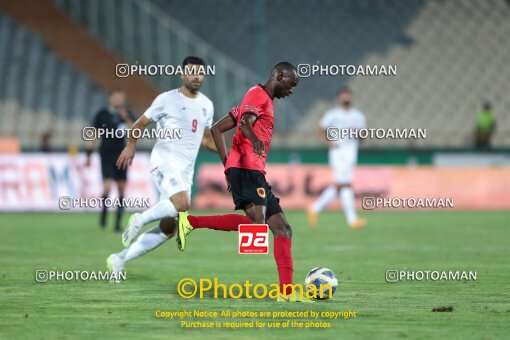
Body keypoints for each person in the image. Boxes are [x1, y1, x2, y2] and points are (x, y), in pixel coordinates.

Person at [175, 62, 312, 303]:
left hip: (249, 170)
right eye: (291, 84)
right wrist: (253, 141)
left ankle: (287, 294)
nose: (291, 90)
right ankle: (190, 222)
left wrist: (227, 165)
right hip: (248, 170)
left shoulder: (258, 99)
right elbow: (245, 123)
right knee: (257, 229)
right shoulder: (257, 95)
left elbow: (217, 129)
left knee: (283, 228)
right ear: (279, 76)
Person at [106, 56, 217, 277]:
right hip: (164, 160)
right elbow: (140, 124)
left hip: (185, 170)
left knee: (169, 229)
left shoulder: (207, 105)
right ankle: (140, 219)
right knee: (182, 204)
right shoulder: (166, 100)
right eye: (192, 71)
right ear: (182, 74)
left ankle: (119, 259)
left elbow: (206, 139)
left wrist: (231, 154)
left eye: (200, 72)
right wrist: (131, 145)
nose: (196, 76)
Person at [307, 87, 366, 229]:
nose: (346, 97)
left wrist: (357, 133)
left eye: (348, 95)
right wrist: (329, 142)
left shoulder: (358, 116)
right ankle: (352, 220)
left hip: (351, 152)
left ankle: (314, 209)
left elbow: (363, 136)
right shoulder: (333, 114)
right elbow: (320, 129)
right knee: (345, 184)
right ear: (339, 97)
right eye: (343, 95)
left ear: (351, 97)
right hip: (338, 152)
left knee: (342, 185)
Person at [86, 90, 136, 232]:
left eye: (122, 97)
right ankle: (104, 213)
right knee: (107, 188)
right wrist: (89, 154)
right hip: (106, 155)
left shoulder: (126, 114)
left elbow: (136, 130)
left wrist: (126, 118)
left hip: (122, 155)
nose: (119, 100)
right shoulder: (102, 114)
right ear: (110, 98)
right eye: (117, 97)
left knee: (121, 189)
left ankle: (117, 224)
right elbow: (94, 134)